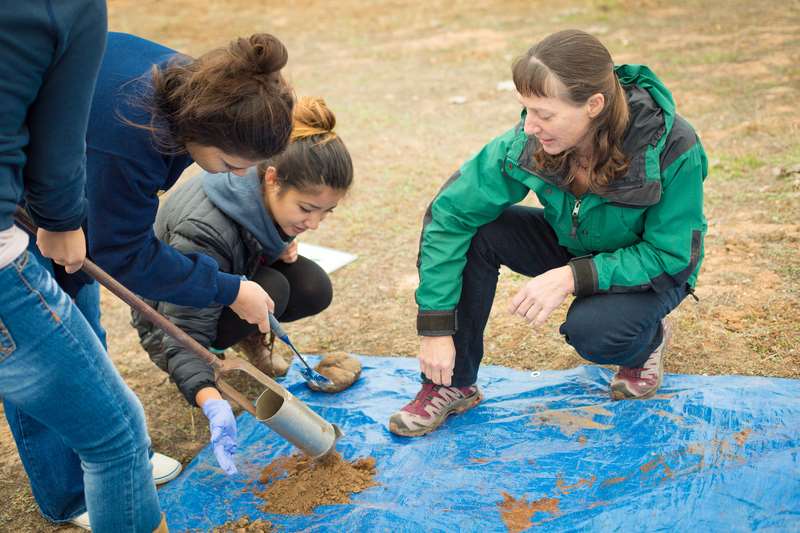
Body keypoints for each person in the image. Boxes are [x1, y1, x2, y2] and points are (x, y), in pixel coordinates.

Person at [3, 30, 297, 530]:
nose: (234, 176)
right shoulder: (129, 137)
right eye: (230, 164)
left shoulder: (197, 86)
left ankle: (115, 463)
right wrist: (231, 288)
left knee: (82, 337)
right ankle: (70, 493)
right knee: (46, 364)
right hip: (20, 213)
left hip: (57, 196)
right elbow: (126, 256)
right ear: (209, 131)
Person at [389, 29, 708, 437]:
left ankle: (647, 343)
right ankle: (452, 384)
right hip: (575, 242)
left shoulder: (672, 146)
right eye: (526, 110)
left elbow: (672, 254)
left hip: (650, 270)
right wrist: (435, 328)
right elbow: (450, 214)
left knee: (593, 332)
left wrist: (571, 276)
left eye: (545, 114)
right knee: (478, 229)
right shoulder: (533, 140)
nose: (529, 127)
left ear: (594, 105)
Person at [0, 1, 167, 531]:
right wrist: (64, 218)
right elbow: (58, 134)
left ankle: (72, 490)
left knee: (68, 345)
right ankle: (72, 493)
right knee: (116, 432)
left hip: (21, 210)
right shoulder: (66, 8)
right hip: (16, 235)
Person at [132, 96, 353, 474]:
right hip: (167, 320)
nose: (314, 223)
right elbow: (180, 329)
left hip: (217, 289)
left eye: (325, 212)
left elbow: (244, 249)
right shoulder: (203, 230)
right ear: (271, 179)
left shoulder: (259, 190)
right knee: (274, 293)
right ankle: (219, 361)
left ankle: (249, 340)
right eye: (305, 209)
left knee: (312, 285)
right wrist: (208, 395)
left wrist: (277, 246)